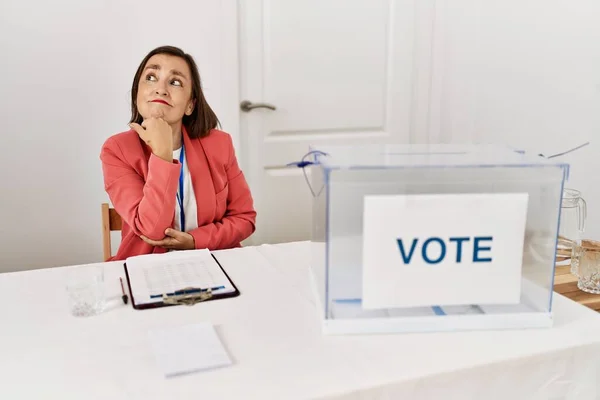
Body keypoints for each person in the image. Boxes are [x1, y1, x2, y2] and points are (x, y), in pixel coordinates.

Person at [100, 46, 256, 260]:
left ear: (190, 105)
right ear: (138, 94)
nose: (160, 89)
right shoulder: (118, 150)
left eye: (175, 82)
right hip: (146, 268)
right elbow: (151, 229)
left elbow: (244, 219)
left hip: (215, 263)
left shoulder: (220, 144)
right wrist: (163, 154)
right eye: (151, 77)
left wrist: (195, 241)